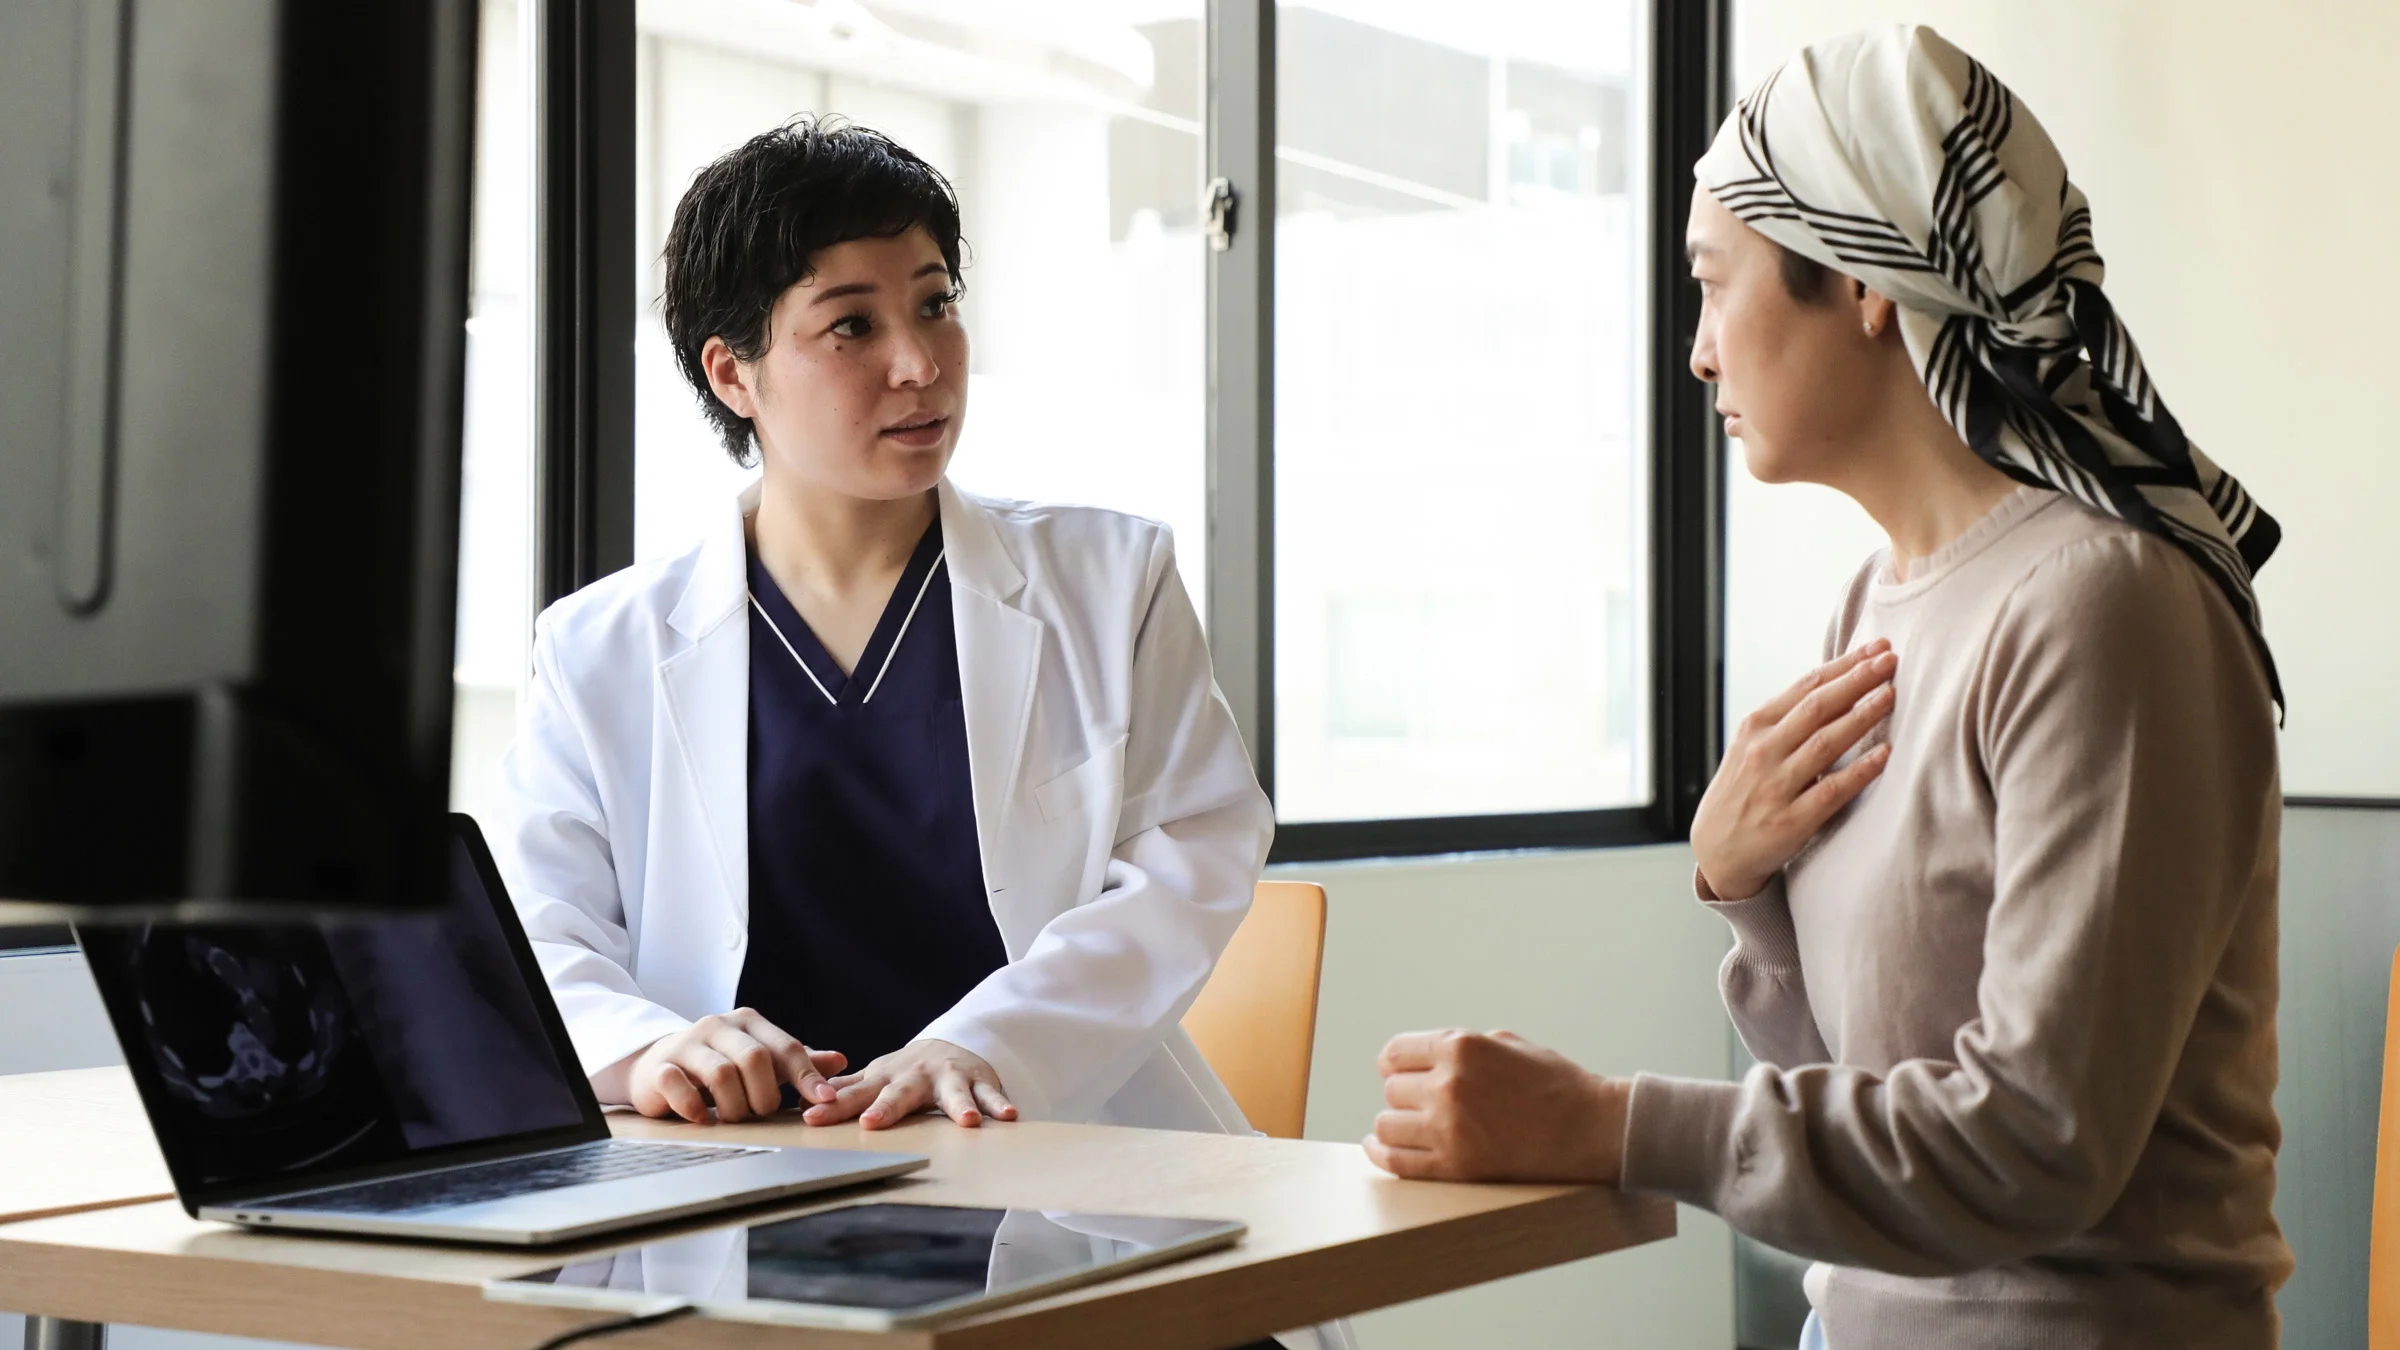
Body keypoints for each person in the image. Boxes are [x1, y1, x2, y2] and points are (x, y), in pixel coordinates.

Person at [1364, 26, 2288, 1350]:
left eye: (1712, 283)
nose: (1697, 353)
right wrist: (1747, 890)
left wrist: (1608, 1121)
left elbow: (2036, 1141)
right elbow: (1846, 1108)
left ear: (1860, 279)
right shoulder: (1876, 606)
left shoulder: (2104, 605)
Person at [493, 116, 1271, 1142]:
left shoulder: (1112, 582)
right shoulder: (598, 648)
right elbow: (538, 928)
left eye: (936, 304)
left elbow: (1188, 861)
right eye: (851, 325)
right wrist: (650, 1048)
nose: (920, 363)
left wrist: (987, 1044)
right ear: (733, 373)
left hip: (1043, 1144)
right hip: (737, 1169)